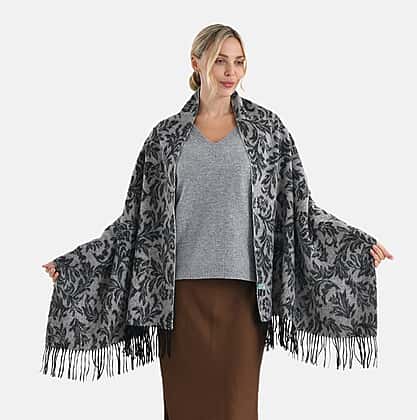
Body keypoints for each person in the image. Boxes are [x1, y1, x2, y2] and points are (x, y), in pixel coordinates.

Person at [42, 24, 393, 420]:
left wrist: (354, 244)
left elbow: (300, 210)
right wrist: (76, 264)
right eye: (221, 61)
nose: (231, 72)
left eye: (239, 62)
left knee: (236, 408)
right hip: (179, 297)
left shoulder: (267, 132)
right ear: (197, 63)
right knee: (185, 409)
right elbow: (134, 221)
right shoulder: (165, 138)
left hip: (244, 297)